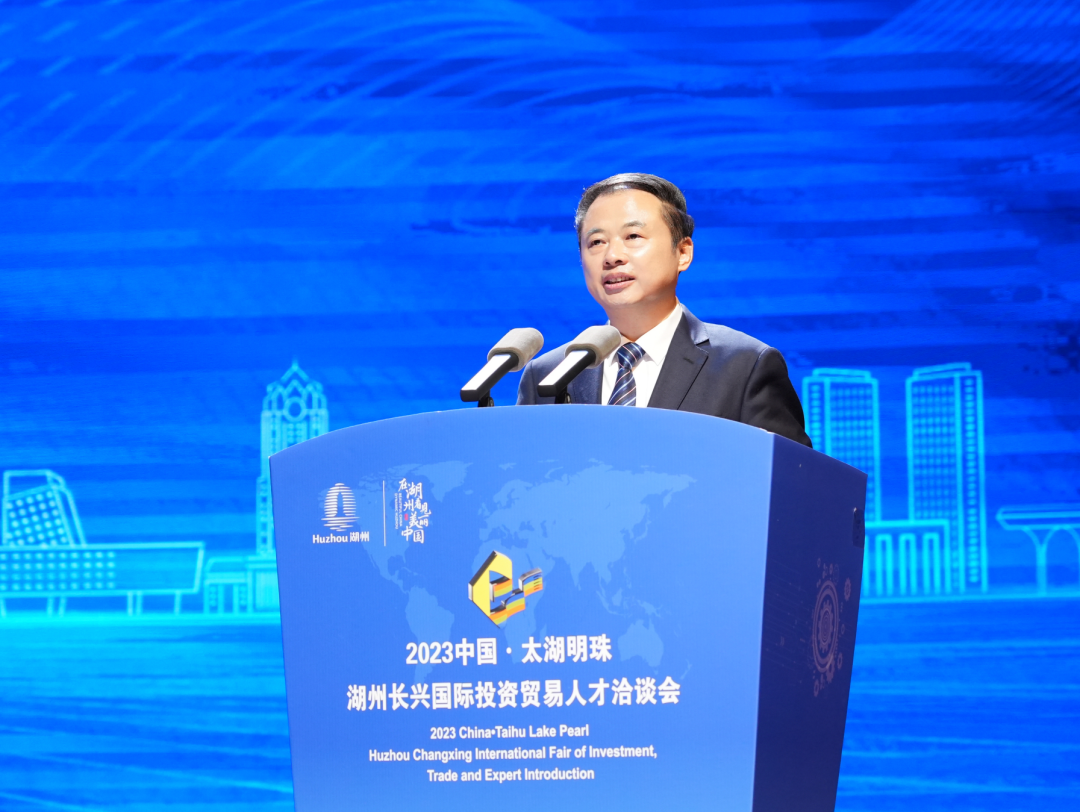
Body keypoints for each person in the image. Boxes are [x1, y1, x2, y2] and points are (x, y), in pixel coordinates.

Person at [517, 172, 812, 447]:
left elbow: (790, 479)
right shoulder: (547, 375)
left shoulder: (744, 366)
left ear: (683, 252)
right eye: (596, 242)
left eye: (633, 236)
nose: (612, 256)